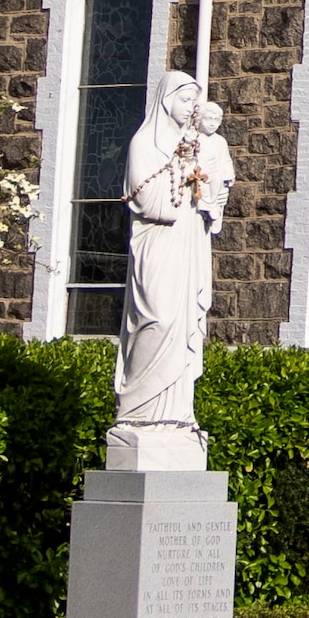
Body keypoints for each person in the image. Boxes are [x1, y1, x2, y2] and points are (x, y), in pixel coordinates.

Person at [112, 70, 230, 461]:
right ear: (166, 100)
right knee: (158, 317)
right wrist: (183, 177)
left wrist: (206, 188)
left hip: (188, 241)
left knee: (181, 323)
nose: (191, 108)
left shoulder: (194, 143)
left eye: (194, 102)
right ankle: (138, 411)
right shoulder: (145, 142)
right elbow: (146, 200)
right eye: (185, 100)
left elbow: (210, 187)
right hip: (158, 242)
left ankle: (177, 415)